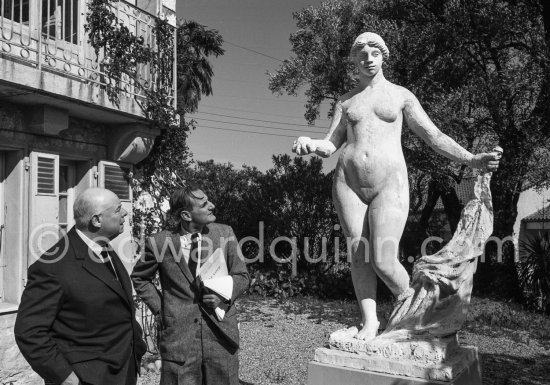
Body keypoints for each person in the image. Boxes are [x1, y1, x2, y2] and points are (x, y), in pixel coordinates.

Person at [292, 32, 500, 340]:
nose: (368, 58)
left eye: (374, 53)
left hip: (389, 183)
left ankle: (420, 313)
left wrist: (471, 159)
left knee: (383, 259)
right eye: (361, 54)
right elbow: (330, 144)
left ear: (383, 56)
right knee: (359, 253)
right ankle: (370, 322)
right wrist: (310, 143)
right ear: (354, 60)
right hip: (347, 183)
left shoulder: (401, 95)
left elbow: (434, 137)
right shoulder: (346, 101)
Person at [15, 188, 147, 385]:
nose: (125, 213)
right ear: (96, 221)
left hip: (122, 369)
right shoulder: (53, 267)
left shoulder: (104, 247)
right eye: (118, 209)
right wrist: (65, 377)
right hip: (88, 378)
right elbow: (29, 332)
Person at [131, 184, 250, 385]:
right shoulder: (159, 242)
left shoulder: (224, 233)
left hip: (221, 334)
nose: (212, 205)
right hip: (179, 338)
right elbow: (140, 278)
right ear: (186, 215)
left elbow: (242, 275)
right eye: (204, 204)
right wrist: (162, 309)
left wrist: (224, 295)